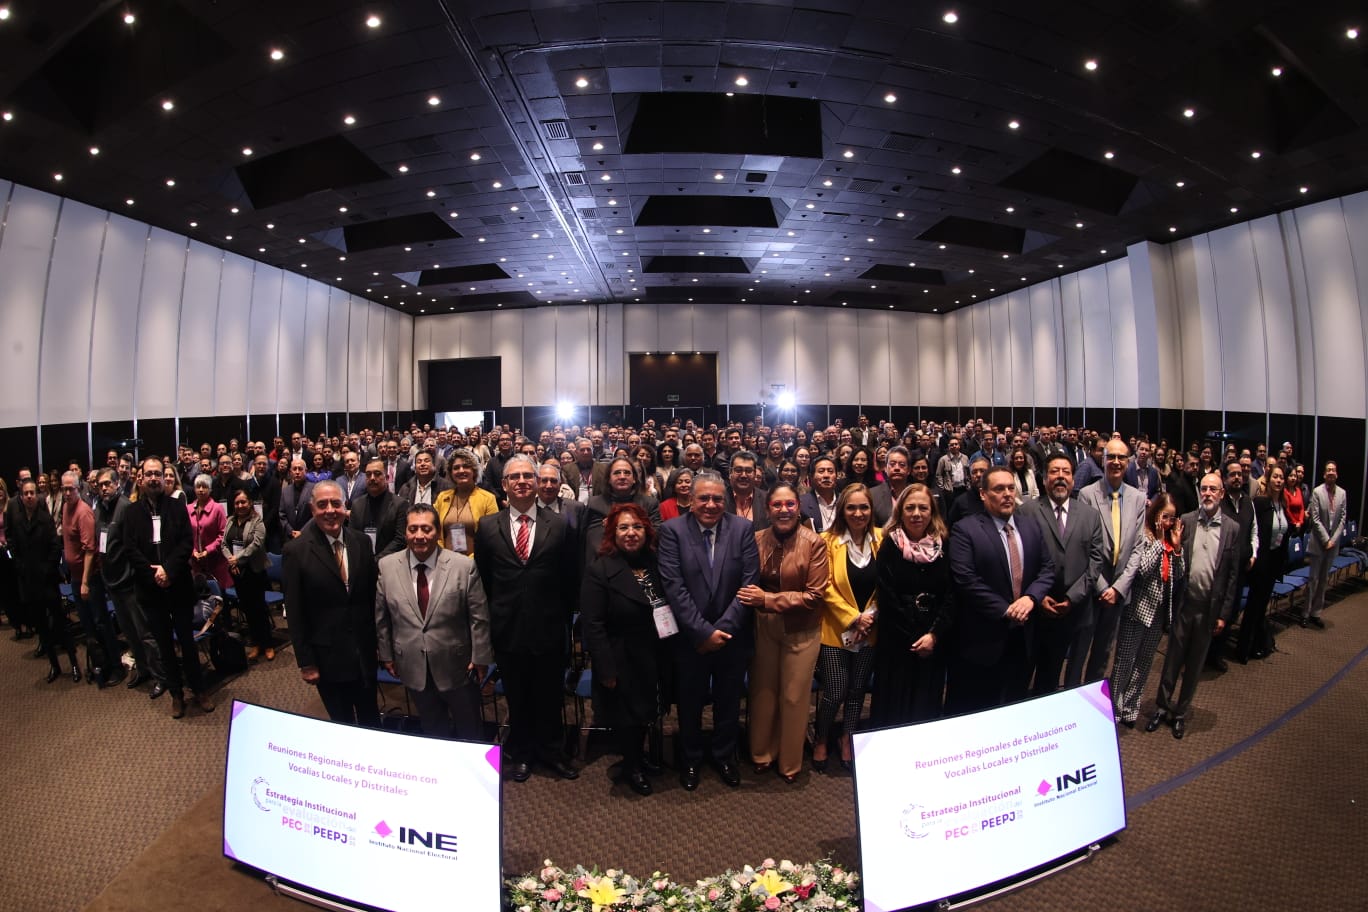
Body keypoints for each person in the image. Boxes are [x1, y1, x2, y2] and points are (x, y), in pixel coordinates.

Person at [474, 455, 579, 782]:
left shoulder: (560, 525)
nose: (522, 481)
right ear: (504, 485)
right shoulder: (488, 527)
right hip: (508, 628)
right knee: (517, 697)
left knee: (550, 696)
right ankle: (520, 752)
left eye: (527, 476)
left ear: (537, 484)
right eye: (514, 477)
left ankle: (551, 751)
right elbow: (486, 579)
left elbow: (570, 579)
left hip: (549, 626)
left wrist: (561, 619)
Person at [658, 469, 759, 791]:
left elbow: (749, 583)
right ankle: (690, 757)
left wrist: (723, 631)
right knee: (689, 701)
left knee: (729, 700)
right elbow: (673, 587)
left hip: (733, 636)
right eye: (704, 498)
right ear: (690, 500)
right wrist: (702, 633)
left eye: (718, 498)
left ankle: (724, 755)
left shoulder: (743, 528)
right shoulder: (672, 530)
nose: (711, 504)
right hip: (691, 639)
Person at [376, 503, 491, 741]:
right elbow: (382, 616)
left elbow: (479, 616)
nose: (419, 536)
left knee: (469, 729)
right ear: (405, 532)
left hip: (458, 666)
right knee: (432, 728)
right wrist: (386, 654)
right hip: (412, 664)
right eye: (413, 529)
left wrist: (480, 658)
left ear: (437, 532)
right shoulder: (387, 566)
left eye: (426, 529)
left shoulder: (463, 566)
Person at [947, 466, 1055, 714]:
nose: (1007, 494)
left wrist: (1031, 598)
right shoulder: (966, 529)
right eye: (999, 489)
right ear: (983, 494)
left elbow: (1047, 568)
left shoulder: (1030, 526)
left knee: (1016, 703)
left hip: (1024, 633)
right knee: (980, 706)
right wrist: (1006, 610)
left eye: (1010, 488)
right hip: (984, 638)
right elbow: (966, 579)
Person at [580, 502, 669, 796]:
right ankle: (631, 765)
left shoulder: (656, 561)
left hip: (654, 651)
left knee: (645, 712)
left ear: (646, 530)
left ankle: (639, 757)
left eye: (637, 527)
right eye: (623, 528)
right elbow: (592, 624)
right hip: (621, 656)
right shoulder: (600, 568)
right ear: (612, 533)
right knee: (628, 717)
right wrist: (605, 667)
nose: (631, 533)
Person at [742, 484, 829, 783]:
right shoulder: (754, 540)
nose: (783, 510)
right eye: (777, 505)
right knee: (763, 692)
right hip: (762, 626)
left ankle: (790, 762)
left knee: (793, 697)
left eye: (789, 504)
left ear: (798, 507)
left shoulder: (814, 543)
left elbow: (815, 596)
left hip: (801, 627)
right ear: (767, 510)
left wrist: (766, 600)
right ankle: (762, 753)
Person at [1147, 473, 1241, 739]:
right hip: (1183, 605)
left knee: (1195, 664)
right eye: (1204, 488)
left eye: (1213, 489)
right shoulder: (1186, 521)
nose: (1208, 493)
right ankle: (1162, 707)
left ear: (1222, 494)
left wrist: (1225, 614)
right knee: (1172, 660)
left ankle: (1180, 712)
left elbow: (1232, 576)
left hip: (1209, 610)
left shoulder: (1232, 528)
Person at [283, 480, 381, 726]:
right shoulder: (296, 551)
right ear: (312, 508)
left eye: (336, 504)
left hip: (363, 653)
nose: (330, 510)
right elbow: (295, 612)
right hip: (327, 658)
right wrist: (306, 662)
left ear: (345, 507)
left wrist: (380, 645)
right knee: (342, 724)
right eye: (322, 504)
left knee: (371, 720)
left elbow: (371, 599)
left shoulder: (361, 542)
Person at [122, 458, 213, 718]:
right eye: (148, 474)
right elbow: (131, 549)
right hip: (151, 590)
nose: (153, 478)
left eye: (157, 474)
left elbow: (186, 542)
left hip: (178, 585)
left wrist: (168, 570)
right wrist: (155, 574)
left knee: (186, 641)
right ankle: (176, 694)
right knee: (164, 645)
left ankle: (199, 690)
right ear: (141, 478)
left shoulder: (176, 506)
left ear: (164, 478)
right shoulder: (131, 512)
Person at [1020, 455, 1104, 695]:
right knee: (1021, 674)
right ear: (1045, 479)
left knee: (1050, 677)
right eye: (1054, 472)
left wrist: (1072, 598)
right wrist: (1039, 595)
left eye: (1066, 472)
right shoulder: (1027, 512)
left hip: (1071, 611)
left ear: (1073, 479)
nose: (1060, 477)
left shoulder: (1090, 515)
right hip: (1034, 609)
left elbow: (1096, 561)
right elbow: (1020, 559)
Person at [871, 483, 953, 726]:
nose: (916, 513)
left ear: (932, 512)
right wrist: (914, 637)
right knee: (894, 707)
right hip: (897, 640)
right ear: (900, 512)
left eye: (923, 508)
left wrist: (933, 636)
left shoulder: (944, 545)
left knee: (925, 706)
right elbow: (886, 596)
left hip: (933, 639)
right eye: (910, 508)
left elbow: (951, 594)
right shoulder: (889, 545)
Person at [813, 483, 881, 772]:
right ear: (842, 510)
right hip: (836, 630)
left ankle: (846, 738)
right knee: (835, 689)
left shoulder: (883, 538)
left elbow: (889, 581)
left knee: (856, 690)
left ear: (871, 510)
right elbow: (824, 586)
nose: (858, 513)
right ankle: (820, 737)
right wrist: (854, 616)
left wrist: (871, 615)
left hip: (872, 630)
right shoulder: (827, 541)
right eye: (851, 507)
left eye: (863, 507)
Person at [1070, 439, 1146, 687]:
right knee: (1079, 652)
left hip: (1118, 591)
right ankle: (1070, 700)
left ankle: (1092, 701)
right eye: (1110, 457)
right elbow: (1084, 547)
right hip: (1092, 587)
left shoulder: (1137, 498)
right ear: (1102, 460)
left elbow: (1137, 548)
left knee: (1103, 653)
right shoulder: (1087, 495)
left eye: (1121, 458)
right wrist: (1103, 587)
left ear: (1128, 461)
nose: (1116, 462)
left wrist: (1118, 588)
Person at [1110, 496, 1184, 726]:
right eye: (1165, 516)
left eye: (1172, 518)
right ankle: (1114, 709)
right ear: (1155, 513)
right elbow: (1142, 570)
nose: (1168, 522)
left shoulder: (1171, 541)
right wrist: (1161, 541)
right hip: (1136, 610)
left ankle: (1131, 709)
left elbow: (1180, 574)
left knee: (1143, 665)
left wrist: (1177, 547)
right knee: (1124, 662)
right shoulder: (1145, 536)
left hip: (1159, 613)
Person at [11, 479, 80, 683]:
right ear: (22, 496)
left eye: (33, 493)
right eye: (26, 493)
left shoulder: (45, 519)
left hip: (47, 581)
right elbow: (14, 547)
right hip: (29, 583)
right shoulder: (16, 520)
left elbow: (54, 548)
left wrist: (44, 569)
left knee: (60, 624)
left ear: (37, 496)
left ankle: (74, 664)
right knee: (42, 627)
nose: (30, 496)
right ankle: (54, 666)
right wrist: (21, 567)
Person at [224, 489, 274, 661]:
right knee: (247, 610)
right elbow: (224, 543)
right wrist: (231, 561)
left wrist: (236, 559)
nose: (240, 505)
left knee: (259, 609)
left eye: (243, 502)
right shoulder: (230, 520)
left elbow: (256, 545)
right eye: (237, 503)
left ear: (250, 503)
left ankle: (267, 644)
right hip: (238, 572)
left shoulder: (257, 521)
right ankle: (256, 643)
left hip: (254, 571)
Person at [1302, 461, 1347, 629]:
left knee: (1323, 581)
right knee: (1313, 580)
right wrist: (1326, 539)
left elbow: (1342, 518)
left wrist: (1333, 540)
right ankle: (1305, 613)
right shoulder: (1317, 492)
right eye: (1328, 470)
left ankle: (1316, 613)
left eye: (1333, 470)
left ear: (1337, 474)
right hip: (1318, 544)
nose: (1331, 473)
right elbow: (1315, 518)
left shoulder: (1342, 493)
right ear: (1324, 474)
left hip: (1332, 545)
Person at [433, 450, 498, 557]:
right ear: (450, 473)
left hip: (476, 562)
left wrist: (469, 562)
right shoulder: (442, 497)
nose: (461, 470)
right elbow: (435, 531)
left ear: (474, 470)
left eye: (466, 466)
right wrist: (442, 556)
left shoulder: (488, 498)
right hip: (444, 561)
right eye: (456, 468)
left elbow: (492, 536)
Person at [348, 458, 408, 559]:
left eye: (377, 474)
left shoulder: (400, 504)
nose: (372, 478)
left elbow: (400, 540)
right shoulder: (357, 504)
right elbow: (351, 536)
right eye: (368, 474)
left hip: (389, 563)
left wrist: (376, 561)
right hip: (361, 561)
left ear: (387, 477)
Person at [186, 475, 233, 593]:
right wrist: (193, 552)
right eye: (198, 487)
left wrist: (208, 550)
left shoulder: (218, 508)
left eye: (204, 487)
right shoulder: (188, 508)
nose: (201, 489)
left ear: (210, 489)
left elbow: (223, 534)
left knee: (219, 599)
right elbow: (185, 535)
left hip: (215, 561)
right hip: (196, 563)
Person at [800, 454, 840, 533]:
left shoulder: (845, 500)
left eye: (830, 471)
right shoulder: (802, 503)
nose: (826, 475)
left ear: (836, 476)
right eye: (821, 471)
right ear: (811, 476)